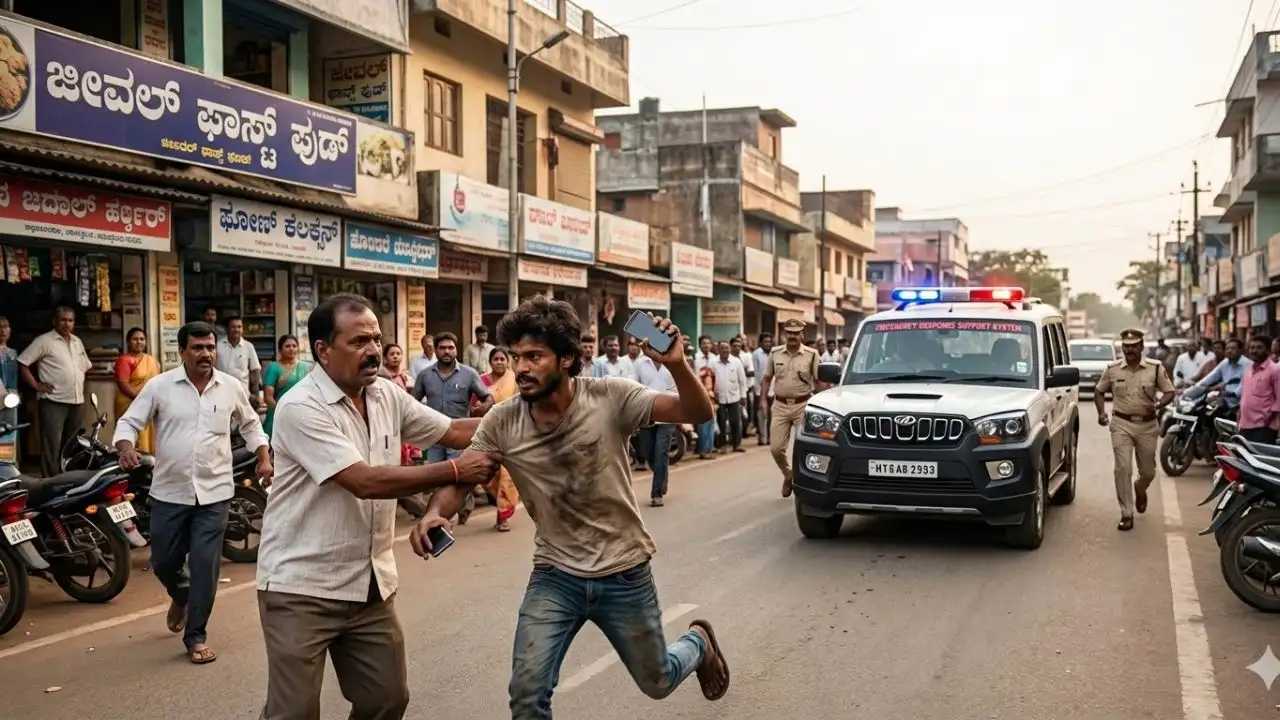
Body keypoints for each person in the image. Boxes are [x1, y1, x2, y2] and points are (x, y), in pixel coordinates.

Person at [409, 297, 729, 719]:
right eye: (516, 356)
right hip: (556, 576)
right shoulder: (502, 420)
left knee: (657, 681)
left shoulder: (610, 397)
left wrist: (676, 365)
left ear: (567, 359)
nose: (521, 367)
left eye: (534, 356)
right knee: (527, 696)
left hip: (624, 571)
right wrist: (437, 513)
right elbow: (468, 474)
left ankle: (697, 645)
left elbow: (697, 411)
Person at [255, 293, 496, 720]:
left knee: (385, 700)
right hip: (301, 587)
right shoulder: (300, 407)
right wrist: (455, 473)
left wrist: (528, 416)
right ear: (323, 351)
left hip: (368, 585)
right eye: (359, 341)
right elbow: (363, 481)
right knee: (293, 713)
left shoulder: (385, 393)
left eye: (377, 339)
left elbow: (454, 431)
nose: (373, 351)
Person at [113, 321, 272, 664]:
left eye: (210, 348)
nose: (205, 354)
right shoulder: (160, 386)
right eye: (198, 348)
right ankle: (182, 594)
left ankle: (196, 635)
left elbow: (250, 424)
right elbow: (129, 422)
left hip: (214, 494)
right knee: (163, 562)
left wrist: (263, 457)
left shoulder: (229, 387)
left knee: (205, 566)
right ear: (182, 351)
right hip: (169, 491)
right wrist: (126, 447)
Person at [1094, 328, 1174, 532]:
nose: (1130, 350)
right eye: (1126, 346)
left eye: (1134, 346)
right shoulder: (1112, 369)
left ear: (1141, 347)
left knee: (1148, 472)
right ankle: (1126, 513)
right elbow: (1099, 391)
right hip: (1121, 424)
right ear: (1122, 347)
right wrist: (1101, 413)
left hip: (1147, 425)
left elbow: (1169, 391)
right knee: (1123, 468)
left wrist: (1160, 404)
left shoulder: (1155, 368)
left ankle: (1140, 488)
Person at [411, 331, 493, 524]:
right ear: (436, 351)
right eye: (442, 348)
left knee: (458, 476)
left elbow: (488, 397)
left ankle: (459, 508)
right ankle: (446, 512)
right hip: (434, 436)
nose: (446, 351)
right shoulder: (424, 375)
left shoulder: (469, 374)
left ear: (456, 350)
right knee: (438, 477)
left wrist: (483, 407)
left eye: (450, 347)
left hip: (460, 436)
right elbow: (411, 402)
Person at [18, 306, 92, 477]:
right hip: (53, 401)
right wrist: (36, 385)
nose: (67, 324)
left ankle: (69, 477)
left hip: (76, 401)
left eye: (70, 320)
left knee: (73, 444)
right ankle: (50, 480)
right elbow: (23, 363)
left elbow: (84, 366)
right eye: (63, 320)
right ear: (55, 321)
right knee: (52, 443)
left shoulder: (76, 342)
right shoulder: (44, 341)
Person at [760, 319, 820, 498]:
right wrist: (763, 399)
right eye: (789, 333)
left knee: (803, 446)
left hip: (804, 405)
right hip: (780, 405)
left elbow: (820, 381)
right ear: (785, 334)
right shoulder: (775, 353)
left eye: (796, 333)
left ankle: (803, 480)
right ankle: (789, 475)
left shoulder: (812, 354)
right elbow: (766, 379)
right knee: (776, 449)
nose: (792, 336)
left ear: (802, 334)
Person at [381, 343, 428, 518]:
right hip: (389, 427)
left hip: (405, 426)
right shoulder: (381, 377)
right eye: (391, 354)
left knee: (410, 468)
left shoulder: (406, 377)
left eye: (398, 353)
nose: (395, 357)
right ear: (385, 358)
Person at [481, 346, 520, 531]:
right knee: (489, 476)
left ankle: (502, 516)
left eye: (502, 359)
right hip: (488, 432)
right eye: (495, 359)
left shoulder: (515, 380)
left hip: (511, 432)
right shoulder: (482, 381)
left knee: (506, 475)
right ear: (490, 362)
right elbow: (476, 404)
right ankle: (495, 500)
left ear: (507, 361)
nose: (499, 362)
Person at [634, 352, 678, 506]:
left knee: (661, 451)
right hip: (647, 412)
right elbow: (634, 387)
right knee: (648, 452)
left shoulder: (673, 361)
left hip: (668, 412)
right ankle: (662, 475)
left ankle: (656, 493)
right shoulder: (640, 363)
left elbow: (680, 386)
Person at [112, 327, 161, 454]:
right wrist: (141, 400)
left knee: (150, 437)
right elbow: (123, 384)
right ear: (128, 342)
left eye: (142, 339)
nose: (139, 342)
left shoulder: (151, 360)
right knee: (133, 436)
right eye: (135, 339)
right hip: (129, 403)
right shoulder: (124, 360)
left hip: (149, 405)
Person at [262, 335, 310, 438]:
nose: (291, 348)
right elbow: (268, 397)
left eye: (294, 346)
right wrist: (283, 412)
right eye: (287, 346)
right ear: (280, 349)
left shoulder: (304, 368)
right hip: (278, 414)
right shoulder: (273, 368)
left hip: (299, 416)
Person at [1238, 334, 1280, 445]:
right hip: (1245, 426)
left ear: (1268, 350)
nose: (1254, 351)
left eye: (1259, 347)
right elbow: (1244, 397)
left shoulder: (1275, 370)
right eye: (1252, 348)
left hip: (1263, 428)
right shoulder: (1248, 371)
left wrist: (1272, 425)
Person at [215, 316, 262, 407]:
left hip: (242, 394)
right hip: (220, 393)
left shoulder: (248, 346)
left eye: (239, 327)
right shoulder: (218, 346)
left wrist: (256, 396)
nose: (236, 329)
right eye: (233, 327)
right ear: (227, 329)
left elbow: (255, 371)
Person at [711, 340, 748, 454]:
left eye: (726, 348)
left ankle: (737, 445)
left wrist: (743, 396)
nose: (724, 350)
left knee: (735, 422)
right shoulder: (713, 363)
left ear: (730, 349)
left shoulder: (736, 362)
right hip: (719, 398)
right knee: (721, 422)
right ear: (718, 349)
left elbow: (742, 381)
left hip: (734, 397)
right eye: (722, 348)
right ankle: (722, 445)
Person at [751, 332, 773, 446]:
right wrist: (758, 391)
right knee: (762, 415)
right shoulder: (756, 354)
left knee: (772, 415)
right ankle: (762, 437)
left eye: (769, 341)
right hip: (760, 389)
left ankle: (770, 437)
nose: (768, 344)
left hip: (773, 389)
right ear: (761, 343)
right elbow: (756, 373)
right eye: (765, 341)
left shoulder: (774, 353)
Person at [0, 316, 17, 456]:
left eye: (5, 327)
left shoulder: (12, 353)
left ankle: (7, 463)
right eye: (0, 327)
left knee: (8, 432)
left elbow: (14, 378)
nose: (2, 331)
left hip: (9, 398)